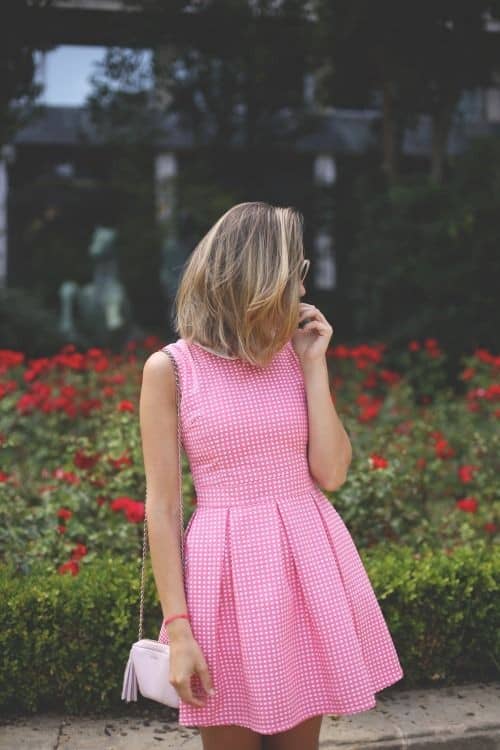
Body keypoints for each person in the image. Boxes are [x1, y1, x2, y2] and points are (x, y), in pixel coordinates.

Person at [139, 201, 404, 750]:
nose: (302, 290)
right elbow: (163, 508)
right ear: (259, 277)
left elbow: (330, 473)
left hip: (305, 569)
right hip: (224, 580)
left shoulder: (295, 354)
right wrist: (179, 628)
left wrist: (314, 364)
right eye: (296, 273)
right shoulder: (171, 369)